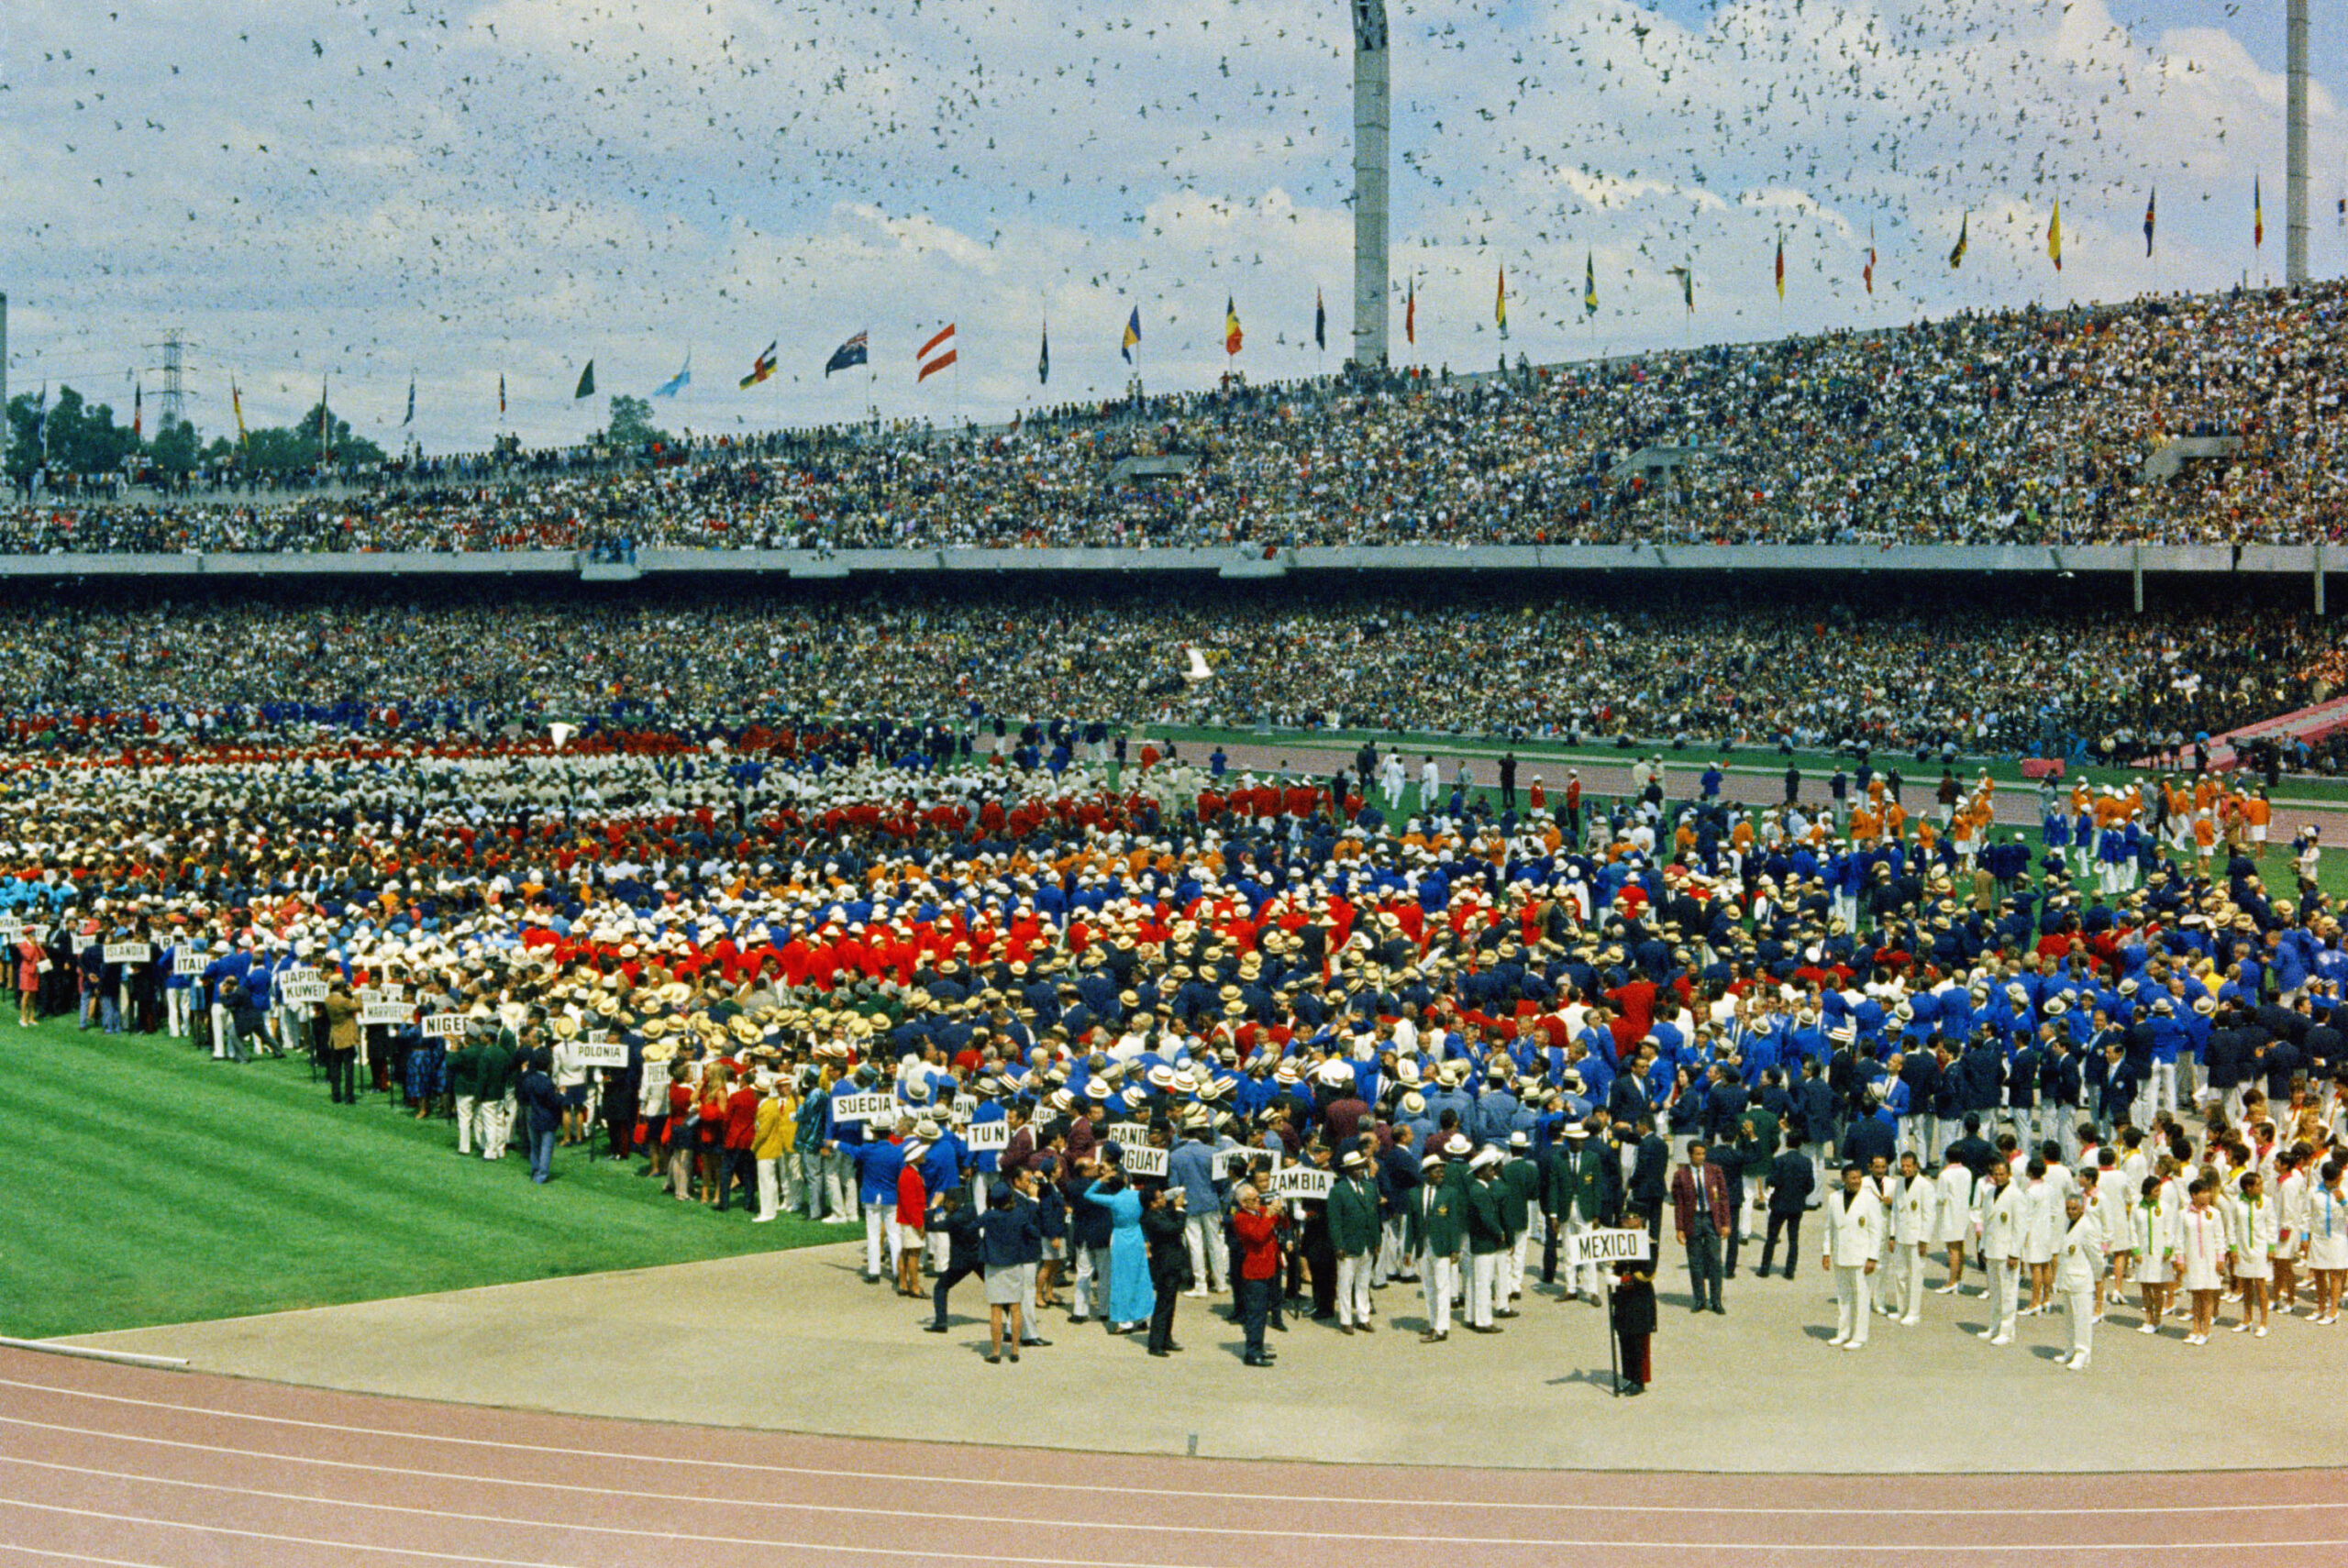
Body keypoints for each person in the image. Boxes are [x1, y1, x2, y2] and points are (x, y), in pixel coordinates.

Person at [976, 1182, 1041, 1364]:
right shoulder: (1018, 1214)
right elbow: (1033, 1232)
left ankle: (996, 1352)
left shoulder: (989, 1216)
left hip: (994, 1266)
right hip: (1014, 1264)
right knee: (1015, 1307)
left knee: (996, 1309)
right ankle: (1014, 1350)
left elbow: (972, 1225)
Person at [1083, 1167, 1153, 1335]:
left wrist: (1102, 1179)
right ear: (1125, 1181)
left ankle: (1124, 1321)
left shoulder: (1113, 1200)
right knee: (1139, 1275)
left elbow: (1088, 1194)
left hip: (1120, 1237)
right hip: (1136, 1234)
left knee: (1121, 1278)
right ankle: (1141, 1317)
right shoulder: (1138, 1195)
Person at [1822, 1163, 1883, 1351]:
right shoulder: (1834, 1198)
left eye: (1858, 1178)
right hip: (1841, 1254)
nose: (1856, 1181)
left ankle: (1859, 1335)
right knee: (1844, 1296)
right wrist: (1826, 1252)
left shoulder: (1869, 1199)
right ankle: (1843, 1332)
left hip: (1861, 1256)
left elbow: (1876, 1230)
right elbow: (1828, 1228)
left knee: (1861, 1297)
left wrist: (1873, 1257)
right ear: (1844, 1179)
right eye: (1852, 1178)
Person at [1231, 1182, 1289, 1368]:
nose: (1258, 1201)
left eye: (1258, 1198)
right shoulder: (1241, 1218)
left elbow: (1283, 1223)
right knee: (1255, 1313)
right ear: (1243, 1202)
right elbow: (1258, 1235)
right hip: (1254, 1269)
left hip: (1270, 1265)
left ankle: (1259, 1346)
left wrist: (1280, 1211)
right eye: (1253, 1199)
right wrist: (1270, 1216)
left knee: (1263, 1312)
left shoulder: (1260, 1211)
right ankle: (1252, 1352)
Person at [1406, 1150, 1461, 1342]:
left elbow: (1455, 1222)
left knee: (1442, 1286)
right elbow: (1411, 1225)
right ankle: (1432, 1322)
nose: (1441, 1175)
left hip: (1442, 1246)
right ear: (1427, 1173)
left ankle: (1442, 1328)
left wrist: (1456, 1248)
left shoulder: (1450, 1193)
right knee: (1428, 1286)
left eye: (1442, 1172)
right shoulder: (1414, 1193)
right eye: (1437, 1172)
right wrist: (1407, 1249)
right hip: (1423, 1245)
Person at [1673, 1139, 1729, 1314]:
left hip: (1711, 1219)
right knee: (1695, 1261)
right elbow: (1679, 1203)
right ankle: (1699, 1299)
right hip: (1693, 1219)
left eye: (1703, 1154)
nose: (1701, 1157)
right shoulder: (1681, 1175)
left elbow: (1723, 1198)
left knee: (1715, 1260)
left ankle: (1716, 1300)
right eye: (1697, 1154)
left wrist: (1726, 1222)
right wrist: (1679, 1228)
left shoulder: (1715, 1171)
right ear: (1690, 1155)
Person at [1329, 1148, 1379, 1333]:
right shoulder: (1338, 1191)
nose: (1360, 1171)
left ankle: (1363, 1317)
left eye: (1361, 1167)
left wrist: (1377, 1239)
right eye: (1356, 1168)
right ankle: (1345, 1319)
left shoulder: (1369, 1187)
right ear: (1348, 1171)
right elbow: (1334, 1221)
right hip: (1348, 1244)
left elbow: (1374, 1216)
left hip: (1367, 1243)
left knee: (1364, 1282)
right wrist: (1338, 1244)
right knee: (1345, 1283)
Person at [2055, 1189, 2106, 1371]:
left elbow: (2096, 1256)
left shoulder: (2087, 1227)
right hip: (2068, 1278)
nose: (2070, 1212)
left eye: (2074, 1209)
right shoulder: (2067, 1224)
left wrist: (2098, 1276)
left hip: (2082, 1280)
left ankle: (2083, 1353)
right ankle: (2070, 1349)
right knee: (2070, 1318)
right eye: (2068, 1209)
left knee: (2082, 1318)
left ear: (2082, 1209)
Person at [1975, 1158, 2022, 1345]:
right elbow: (1986, 1222)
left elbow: (2020, 1226)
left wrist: (2014, 1253)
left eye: (2002, 1174)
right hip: (1992, 1248)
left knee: (2008, 1292)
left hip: (2007, 1249)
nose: (1999, 1177)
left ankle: (2007, 1330)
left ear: (2009, 1174)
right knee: (1995, 1291)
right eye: (1996, 1174)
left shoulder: (2016, 1195)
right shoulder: (1989, 1193)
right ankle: (1994, 1326)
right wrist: (1984, 1247)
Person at [1141, 1184, 1192, 1356]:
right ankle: (1156, 1343)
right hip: (1165, 1264)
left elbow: (1171, 1214)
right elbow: (1175, 1228)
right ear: (1152, 1203)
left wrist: (1175, 1199)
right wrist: (1179, 1209)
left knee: (1170, 1303)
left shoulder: (1161, 1212)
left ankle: (1166, 1337)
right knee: (1163, 1304)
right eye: (1160, 1198)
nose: (1164, 1200)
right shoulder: (1151, 1218)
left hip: (1174, 1262)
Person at [924, 1187, 985, 1332]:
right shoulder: (971, 1208)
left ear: (953, 1202)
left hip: (961, 1262)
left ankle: (941, 1323)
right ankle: (1012, 1319)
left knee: (940, 1287)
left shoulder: (955, 1220)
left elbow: (930, 1226)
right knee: (994, 1288)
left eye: (946, 1203)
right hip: (978, 1257)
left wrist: (932, 1206)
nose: (944, 1206)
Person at [1757, 1130, 1814, 1280]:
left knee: (1771, 1237)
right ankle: (1790, 1270)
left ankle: (1765, 1268)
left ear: (1787, 1142)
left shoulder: (1779, 1160)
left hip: (1780, 1203)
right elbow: (1810, 1185)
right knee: (1793, 1239)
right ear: (1800, 1144)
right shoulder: (1807, 1162)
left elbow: (1773, 1180)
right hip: (1796, 1204)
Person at [1610, 1255, 1656, 1397]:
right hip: (1623, 1294)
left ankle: (1639, 1380)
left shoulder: (1648, 1242)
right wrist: (1611, 1267)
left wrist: (1623, 1279)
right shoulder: (1622, 1237)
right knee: (1624, 1334)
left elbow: (1649, 1272)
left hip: (1639, 1294)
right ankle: (1629, 1377)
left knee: (1638, 1336)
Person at [516, 1047, 563, 1186]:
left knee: (535, 1146)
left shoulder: (529, 1079)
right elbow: (552, 1102)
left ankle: (535, 1170)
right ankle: (542, 1175)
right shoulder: (547, 1083)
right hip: (548, 1118)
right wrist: (561, 1095)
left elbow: (523, 1096)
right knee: (546, 1148)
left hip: (533, 1115)